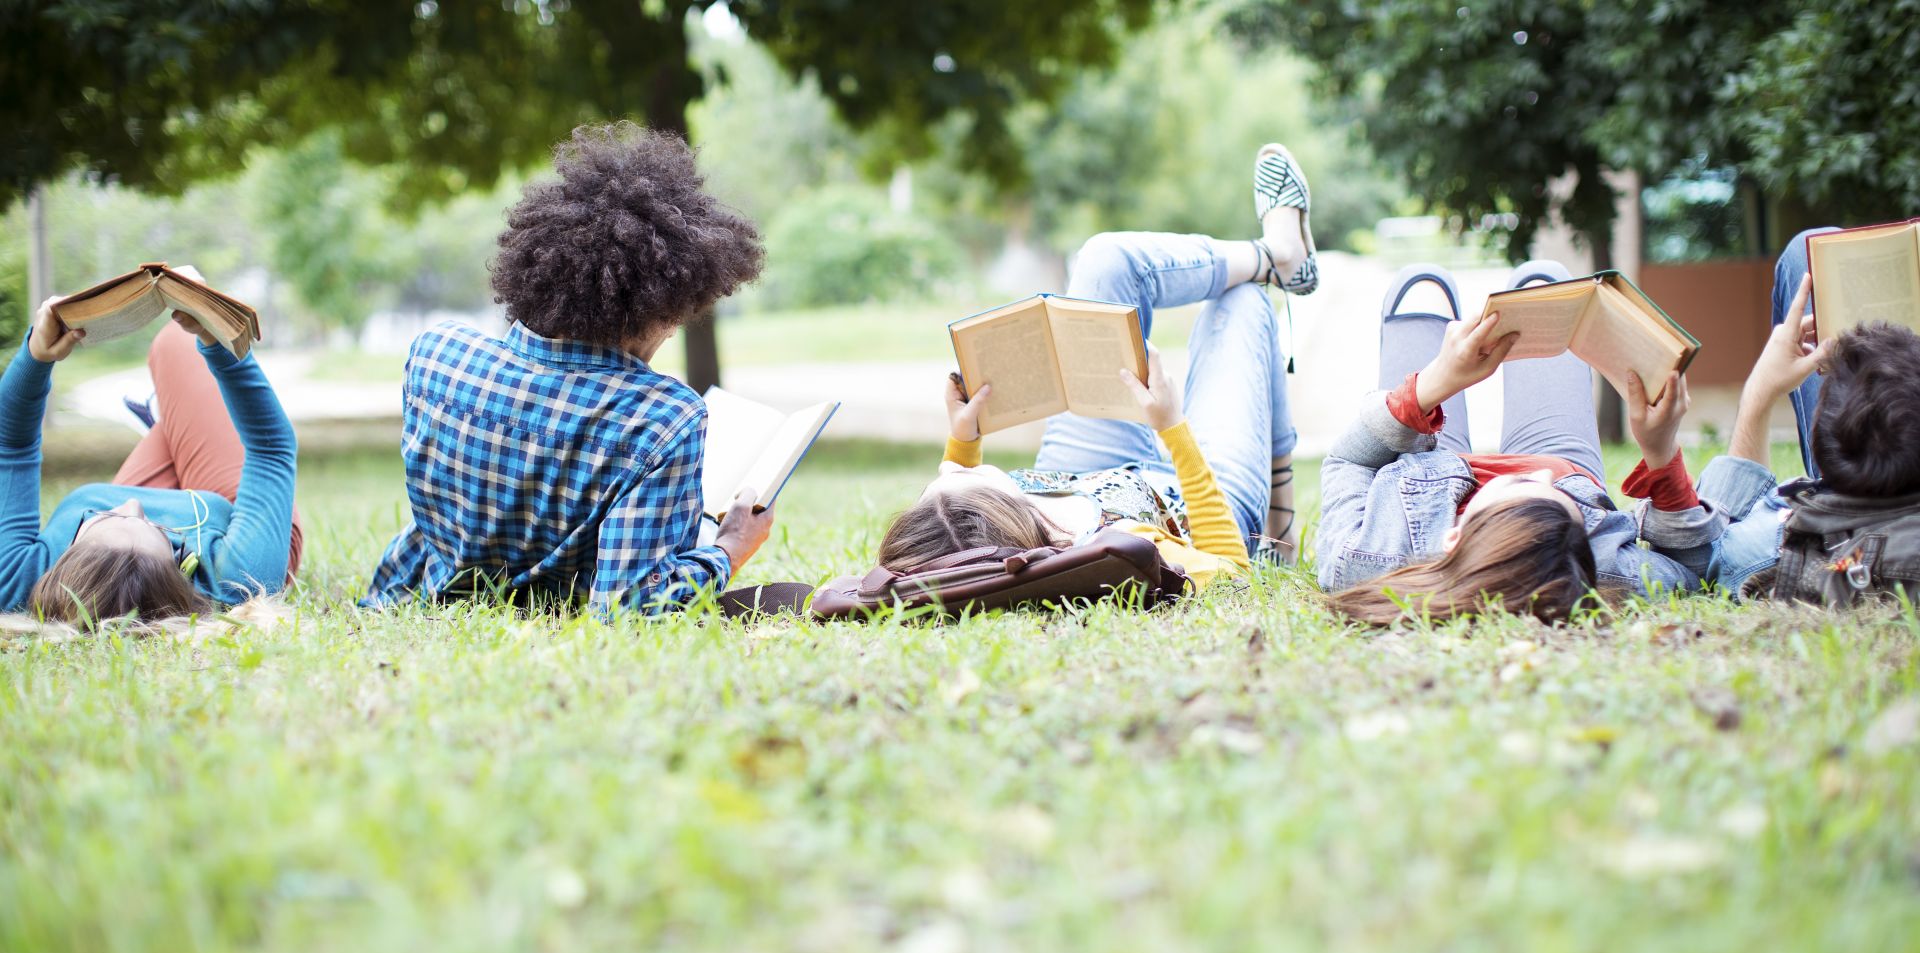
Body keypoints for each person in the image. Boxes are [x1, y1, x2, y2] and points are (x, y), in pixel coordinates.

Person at [362, 122, 774, 615]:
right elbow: (631, 607)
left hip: (421, 602)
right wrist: (730, 547)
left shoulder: (436, 356)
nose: (671, 333)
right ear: (661, 308)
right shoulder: (664, 418)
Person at [876, 146, 1317, 588]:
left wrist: (963, 441)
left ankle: (1277, 257)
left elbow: (955, 532)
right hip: (1193, 506)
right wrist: (1172, 428)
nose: (952, 466)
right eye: (962, 475)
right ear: (1006, 508)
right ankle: (1277, 523)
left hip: (1077, 474)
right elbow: (1231, 575)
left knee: (1106, 258)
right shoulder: (1118, 546)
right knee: (1242, 304)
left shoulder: (990, 525)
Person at [1319, 262, 1709, 626]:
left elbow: (1347, 461)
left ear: (1453, 538)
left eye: (1523, 486)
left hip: (1423, 459)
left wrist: (1434, 383)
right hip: (1565, 459)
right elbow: (1696, 569)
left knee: (1420, 285)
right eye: (1566, 506)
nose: (1538, 475)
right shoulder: (1605, 568)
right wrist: (1660, 450)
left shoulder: (1363, 560)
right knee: (1545, 281)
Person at [0, 298, 301, 628]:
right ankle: (173, 420)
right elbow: (270, 449)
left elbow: (11, 447)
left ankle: (170, 422)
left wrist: (37, 357)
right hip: (242, 517)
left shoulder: (17, 580)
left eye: (103, 517)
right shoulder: (239, 575)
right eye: (155, 527)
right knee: (177, 340)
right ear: (177, 570)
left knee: (183, 409)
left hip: (185, 508)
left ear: (66, 559)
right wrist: (216, 337)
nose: (132, 502)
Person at [1652, 229, 1920, 598]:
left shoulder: (1771, 546)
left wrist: (1760, 394)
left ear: (1819, 439)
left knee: (1807, 247)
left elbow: (1704, 555)